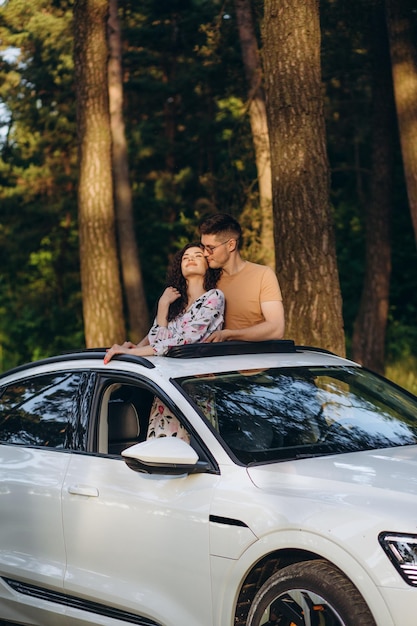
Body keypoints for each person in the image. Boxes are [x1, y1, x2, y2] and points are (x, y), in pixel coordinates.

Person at [104, 242, 224, 362]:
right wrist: (163, 304)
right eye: (185, 257)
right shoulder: (174, 302)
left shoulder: (214, 297)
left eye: (198, 256)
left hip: (194, 373)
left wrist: (132, 352)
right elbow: (156, 341)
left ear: (208, 265)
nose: (190, 258)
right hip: (165, 369)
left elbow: (185, 341)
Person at [199, 213, 284, 342]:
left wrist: (229, 334)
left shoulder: (263, 275)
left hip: (255, 359)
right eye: (203, 247)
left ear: (231, 245)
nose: (205, 253)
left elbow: (276, 328)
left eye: (210, 248)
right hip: (213, 359)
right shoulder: (206, 279)